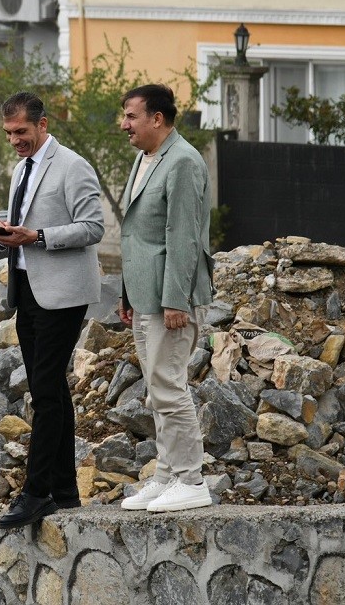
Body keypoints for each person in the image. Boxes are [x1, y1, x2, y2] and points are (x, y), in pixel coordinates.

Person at [0, 92, 105, 529]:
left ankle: (36, 493)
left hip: (63, 295)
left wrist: (36, 237)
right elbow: (24, 224)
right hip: (27, 292)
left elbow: (93, 226)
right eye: (8, 133)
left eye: (21, 131)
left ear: (42, 124)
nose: (14, 140)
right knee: (50, 387)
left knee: (45, 392)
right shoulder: (21, 168)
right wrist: (3, 231)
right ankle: (65, 490)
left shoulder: (73, 165)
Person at [117, 84, 214, 513]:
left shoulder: (183, 162)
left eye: (131, 116)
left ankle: (191, 480)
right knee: (157, 389)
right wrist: (127, 292)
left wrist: (176, 300)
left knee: (169, 387)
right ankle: (167, 475)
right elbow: (137, 234)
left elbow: (183, 236)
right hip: (145, 296)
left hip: (170, 299)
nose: (124, 124)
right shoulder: (146, 157)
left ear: (157, 118)